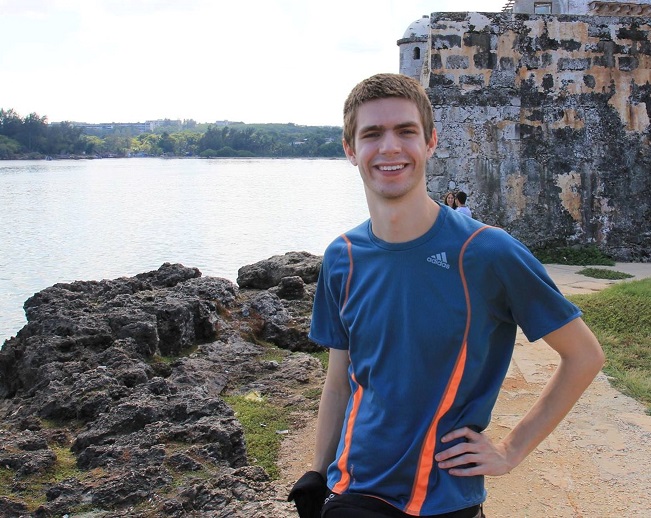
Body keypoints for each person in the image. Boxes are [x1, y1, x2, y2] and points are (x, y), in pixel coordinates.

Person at [288, 73, 604, 518]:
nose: (390, 147)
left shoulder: (488, 252)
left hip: (443, 500)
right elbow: (339, 382)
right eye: (372, 134)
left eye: (406, 131)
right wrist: (317, 472)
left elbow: (584, 356)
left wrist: (512, 449)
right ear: (350, 149)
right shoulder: (341, 257)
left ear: (431, 141)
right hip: (353, 492)